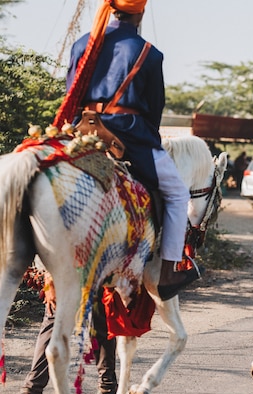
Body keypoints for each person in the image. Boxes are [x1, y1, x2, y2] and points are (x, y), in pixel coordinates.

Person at [63, 0, 196, 301]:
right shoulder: (149, 52)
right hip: (128, 135)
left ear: (112, 9)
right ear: (141, 12)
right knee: (177, 194)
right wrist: (147, 137)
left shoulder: (83, 42)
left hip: (82, 128)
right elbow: (154, 109)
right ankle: (167, 271)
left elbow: (70, 91)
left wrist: (75, 129)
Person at [17, 267, 117, 394]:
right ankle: (107, 385)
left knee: (54, 320)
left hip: (60, 267)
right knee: (99, 317)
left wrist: (48, 275)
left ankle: (32, 388)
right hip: (87, 261)